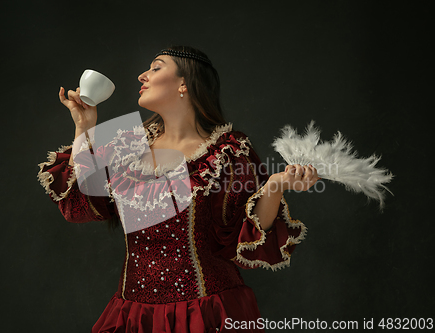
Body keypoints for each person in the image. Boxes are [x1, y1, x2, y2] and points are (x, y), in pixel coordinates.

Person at [38, 46, 320, 332]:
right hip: (134, 318)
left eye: (156, 67)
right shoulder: (124, 141)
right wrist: (85, 128)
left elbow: (244, 241)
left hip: (207, 313)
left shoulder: (228, 150)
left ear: (184, 83)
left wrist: (275, 185)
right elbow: (77, 206)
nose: (142, 75)